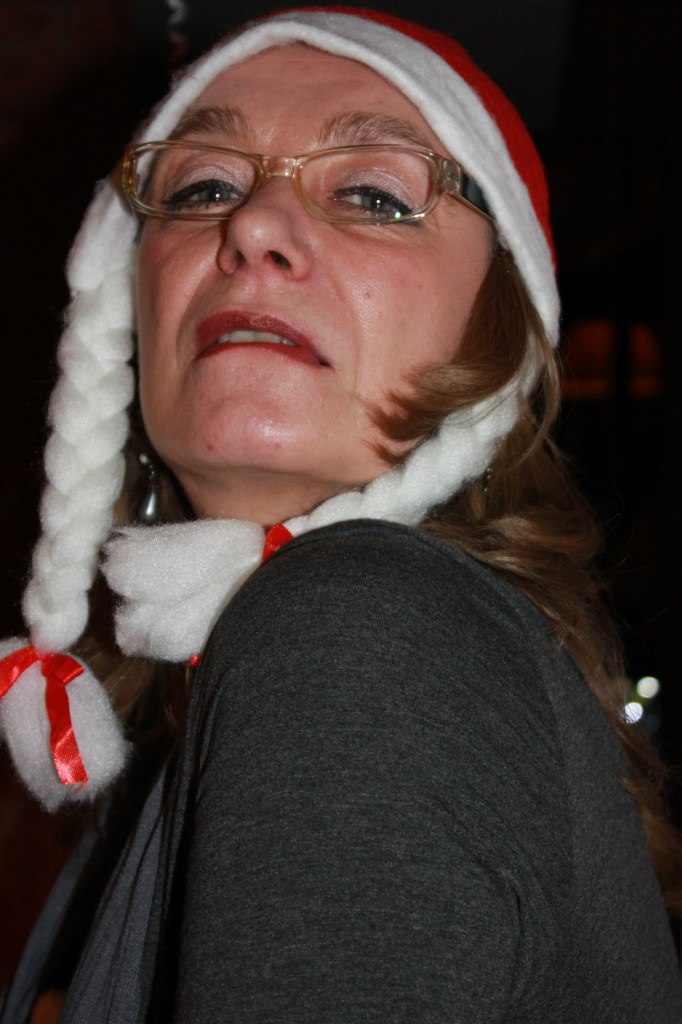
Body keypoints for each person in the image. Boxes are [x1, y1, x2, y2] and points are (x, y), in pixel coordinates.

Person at [0, 7, 680, 1022]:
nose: (252, 226)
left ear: (497, 333)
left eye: (373, 194)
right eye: (202, 186)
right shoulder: (234, 704)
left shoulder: (355, 627)